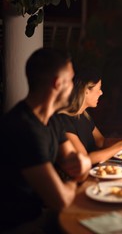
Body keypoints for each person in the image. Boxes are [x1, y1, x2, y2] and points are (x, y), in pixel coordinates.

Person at [0, 48, 92, 233]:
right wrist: (76, 179)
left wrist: (81, 166)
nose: (74, 86)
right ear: (58, 84)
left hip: (41, 213)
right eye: (71, 80)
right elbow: (60, 200)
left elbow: (75, 164)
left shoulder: (52, 119)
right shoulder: (23, 129)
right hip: (20, 226)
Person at [57, 66, 122, 165]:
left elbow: (102, 141)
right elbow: (85, 159)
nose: (101, 93)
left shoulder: (84, 115)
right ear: (86, 90)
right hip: (85, 177)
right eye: (99, 88)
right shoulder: (64, 120)